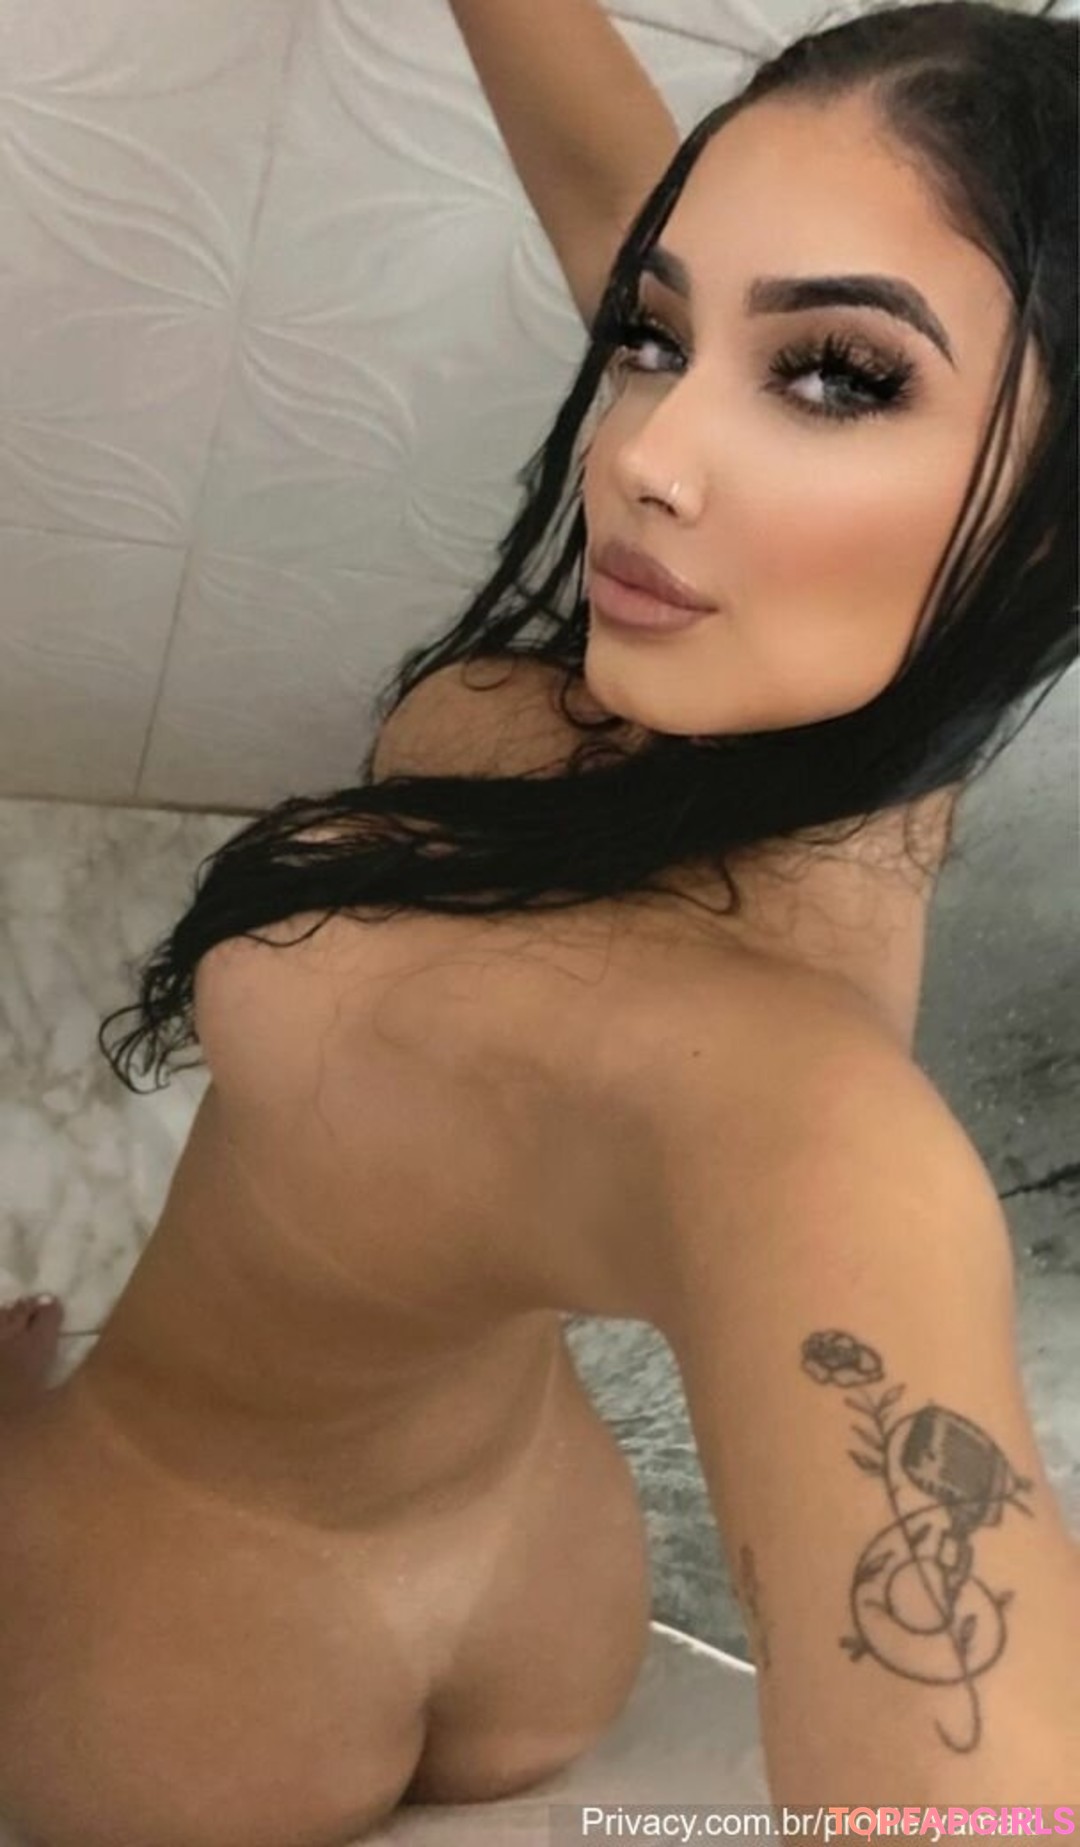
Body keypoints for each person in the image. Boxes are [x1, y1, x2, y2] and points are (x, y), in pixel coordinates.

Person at [1, 0, 1077, 1840]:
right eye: (656, 335)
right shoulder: (855, 725)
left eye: (836, 377)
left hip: (174, 1651)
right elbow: (615, 193)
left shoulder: (805, 1130)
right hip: (546, 1585)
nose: (644, 449)